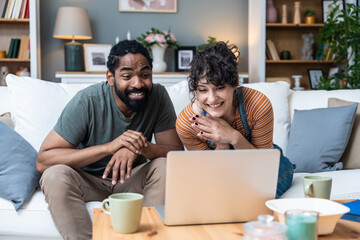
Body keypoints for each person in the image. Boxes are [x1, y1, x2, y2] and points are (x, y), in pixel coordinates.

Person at [37, 40, 183, 240]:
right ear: (110, 78)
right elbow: (43, 160)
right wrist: (109, 147)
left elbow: (175, 152)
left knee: (166, 166)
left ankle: (147, 237)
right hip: (87, 180)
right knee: (53, 174)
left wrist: (140, 146)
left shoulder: (158, 96)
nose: (138, 83)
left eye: (145, 75)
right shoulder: (87, 101)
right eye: (127, 76)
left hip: (131, 179)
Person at [176, 41, 293, 196]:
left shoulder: (258, 105)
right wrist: (222, 144)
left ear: (235, 82)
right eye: (203, 90)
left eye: (220, 88)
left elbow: (263, 168)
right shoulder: (187, 124)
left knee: (256, 195)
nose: (212, 99)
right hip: (222, 171)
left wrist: (234, 137)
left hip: (267, 165)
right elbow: (211, 175)